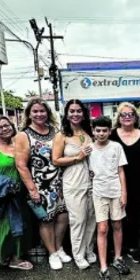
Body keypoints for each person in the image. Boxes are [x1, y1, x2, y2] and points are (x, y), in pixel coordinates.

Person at [15, 98, 71, 271]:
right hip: (40, 184)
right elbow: (21, 165)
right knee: (46, 220)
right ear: (29, 114)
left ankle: (59, 247)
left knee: (63, 216)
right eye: (35, 111)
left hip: (60, 181)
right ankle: (52, 253)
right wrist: (32, 189)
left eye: (42, 111)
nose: (39, 114)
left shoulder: (55, 131)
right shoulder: (24, 135)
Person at [0, 116, 33, 271]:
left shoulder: (19, 146)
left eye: (7, 125)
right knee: (5, 227)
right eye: (0, 127)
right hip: (2, 197)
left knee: (19, 226)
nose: (5, 129)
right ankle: (4, 257)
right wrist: (4, 183)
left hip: (20, 195)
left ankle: (16, 258)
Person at [110, 102, 140, 264]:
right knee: (116, 216)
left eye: (130, 114)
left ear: (136, 117)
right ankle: (116, 249)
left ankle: (133, 248)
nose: (127, 117)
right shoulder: (111, 136)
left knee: (134, 216)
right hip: (114, 183)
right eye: (124, 114)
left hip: (137, 183)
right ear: (119, 118)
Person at [53, 99, 97, 270]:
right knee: (78, 219)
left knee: (92, 218)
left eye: (79, 111)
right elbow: (56, 160)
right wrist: (77, 158)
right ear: (67, 113)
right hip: (73, 181)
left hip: (92, 182)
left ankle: (89, 250)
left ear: (84, 113)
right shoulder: (62, 135)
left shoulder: (89, 132)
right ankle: (78, 255)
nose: (75, 114)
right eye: (72, 111)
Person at [89, 116, 131, 280]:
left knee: (117, 224)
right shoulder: (89, 149)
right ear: (93, 131)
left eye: (104, 130)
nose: (101, 133)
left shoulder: (116, 147)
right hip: (99, 192)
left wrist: (124, 193)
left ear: (109, 131)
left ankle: (118, 258)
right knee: (102, 228)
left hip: (115, 191)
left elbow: (121, 171)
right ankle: (103, 267)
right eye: (98, 130)